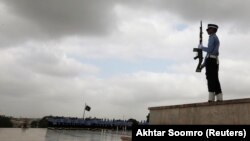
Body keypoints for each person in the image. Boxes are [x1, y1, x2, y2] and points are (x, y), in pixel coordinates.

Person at [199, 24, 222, 102]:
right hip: (212, 60)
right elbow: (208, 54)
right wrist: (204, 64)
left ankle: (211, 98)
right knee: (214, 78)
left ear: (213, 29)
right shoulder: (213, 37)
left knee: (211, 78)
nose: (207, 30)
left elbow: (210, 50)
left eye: (209, 29)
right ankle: (219, 97)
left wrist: (201, 47)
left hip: (211, 60)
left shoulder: (213, 37)